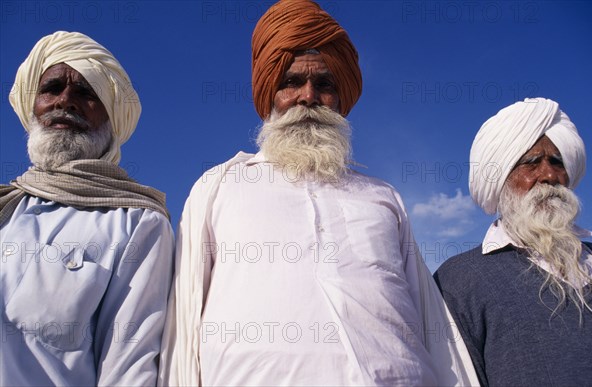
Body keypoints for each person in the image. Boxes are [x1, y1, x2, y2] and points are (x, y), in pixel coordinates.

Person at [159, 1, 477, 385]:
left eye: (324, 84)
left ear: (341, 100)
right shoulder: (220, 186)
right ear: (269, 96)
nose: (308, 97)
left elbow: (433, 325)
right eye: (291, 82)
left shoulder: (383, 198)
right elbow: (185, 318)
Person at [0, 31, 174, 385]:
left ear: (111, 118)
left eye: (86, 93)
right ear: (32, 105)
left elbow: (129, 367)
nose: (65, 102)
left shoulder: (136, 222)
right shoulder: (7, 206)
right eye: (51, 89)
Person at [435, 97, 592, 386]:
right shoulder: (458, 280)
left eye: (557, 162)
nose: (549, 175)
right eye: (531, 162)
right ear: (500, 180)